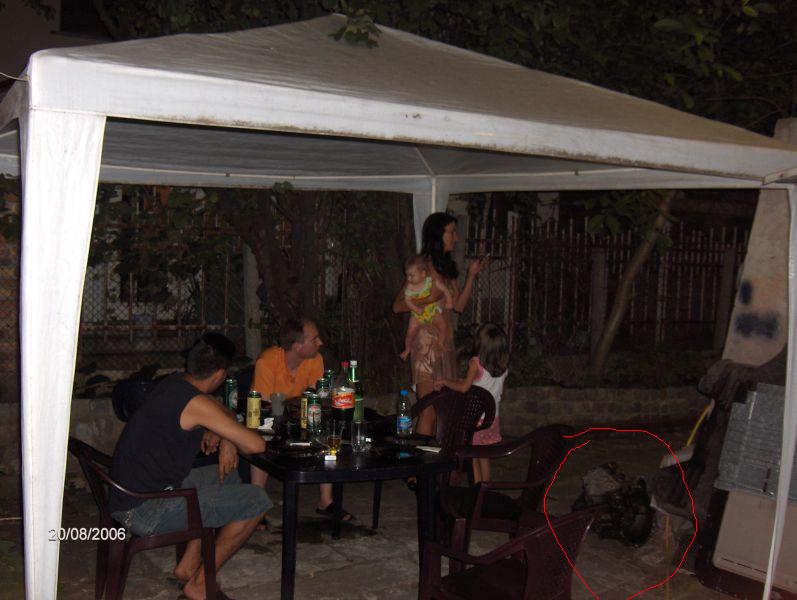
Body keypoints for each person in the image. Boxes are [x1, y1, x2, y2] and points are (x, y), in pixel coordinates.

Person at [110, 332, 270, 600]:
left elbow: (216, 411)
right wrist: (231, 436)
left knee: (226, 476)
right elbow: (256, 445)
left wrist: (224, 435)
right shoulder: (195, 402)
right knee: (257, 500)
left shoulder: (174, 383)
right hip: (144, 509)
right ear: (219, 376)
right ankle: (199, 585)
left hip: (133, 494)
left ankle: (187, 566)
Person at [250, 317, 353, 521]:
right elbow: (264, 406)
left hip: (299, 416)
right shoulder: (267, 362)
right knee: (261, 437)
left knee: (327, 432)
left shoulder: (315, 359)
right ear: (297, 345)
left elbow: (317, 397)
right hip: (270, 419)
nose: (320, 343)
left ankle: (326, 501)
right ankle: (256, 506)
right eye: (314, 339)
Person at [393, 212, 487, 436]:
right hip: (425, 342)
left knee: (442, 409)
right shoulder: (422, 265)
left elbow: (459, 306)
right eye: (451, 232)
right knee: (428, 410)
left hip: (444, 342)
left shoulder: (446, 267)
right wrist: (430, 298)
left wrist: (471, 276)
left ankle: (428, 456)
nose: (456, 237)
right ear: (438, 235)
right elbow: (397, 305)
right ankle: (417, 459)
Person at [435, 323, 509, 483]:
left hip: (476, 419)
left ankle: (478, 488)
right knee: (484, 456)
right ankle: (484, 488)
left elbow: (464, 388)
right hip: (492, 418)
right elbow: (482, 384)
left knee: (474, 456)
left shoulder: (475, 363)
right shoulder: (503, 367)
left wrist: (446, 381)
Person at [399, 254, 453, 361]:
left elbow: (444, 289)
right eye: (407, 275)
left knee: (443, 326)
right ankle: (407, 349)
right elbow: (407, 300)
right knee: (410, 333)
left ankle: (440, 344)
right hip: (417, 315)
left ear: (423, 274)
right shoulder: (410, 287)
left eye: (412, 275)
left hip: (431, 311)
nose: (408, 278)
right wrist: (415, 309)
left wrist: (449, 300)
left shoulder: (430, 282)